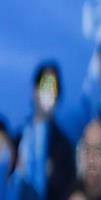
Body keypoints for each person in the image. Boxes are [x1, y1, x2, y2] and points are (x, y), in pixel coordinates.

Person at [12, 62, 75, 199]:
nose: (48, 94)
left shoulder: (64, 148)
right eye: (45, 86)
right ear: (34, 90)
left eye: (53, 88)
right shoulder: (16, 140)